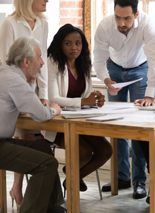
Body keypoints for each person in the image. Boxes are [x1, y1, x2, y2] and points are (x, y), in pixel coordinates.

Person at [0, 37, 66, 213]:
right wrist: (55, 110)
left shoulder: (2, 73)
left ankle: (53, 208)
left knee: (43, 149)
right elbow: (41, 114)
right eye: (40, 57)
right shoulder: (14, 80)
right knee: (46, 164)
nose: (42, 62)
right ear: (26, 62)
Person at [93, 0, 155, 198]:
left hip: (141, 68)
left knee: (139, 127)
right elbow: (98, 60)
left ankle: (139, 180)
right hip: (113, 69)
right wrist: (106, 80)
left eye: (127, 18)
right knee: (117, 125)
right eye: (117, 17)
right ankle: (121, 177)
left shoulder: (148, 25)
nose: (121, 23)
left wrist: (150, 95)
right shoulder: (105, 27)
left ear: (136, 15)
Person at [0, 0, 50, 204]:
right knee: (26, 136)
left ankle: (18, 189)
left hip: (33, 88)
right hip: (12, 90)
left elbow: (42, 59)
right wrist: (20, 90)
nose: (46, 1)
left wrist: (44, 93)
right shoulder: (9, 24)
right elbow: (5, 61)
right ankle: (18, 190)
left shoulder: (44, 23)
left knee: (32, 139)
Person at [46, 23, 113, 192]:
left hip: (79, 121)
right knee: (83, 152)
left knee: (106, 150)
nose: (74, 47)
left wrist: (96, 99)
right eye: (68, 43)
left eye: (78, 43)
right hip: (58, 122)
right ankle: (74, 179)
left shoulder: (83, 63)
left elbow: (87, 95)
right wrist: (84, 102)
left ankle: (72, 177)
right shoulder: (52, 62)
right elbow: (53, 98)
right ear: (60, 44)